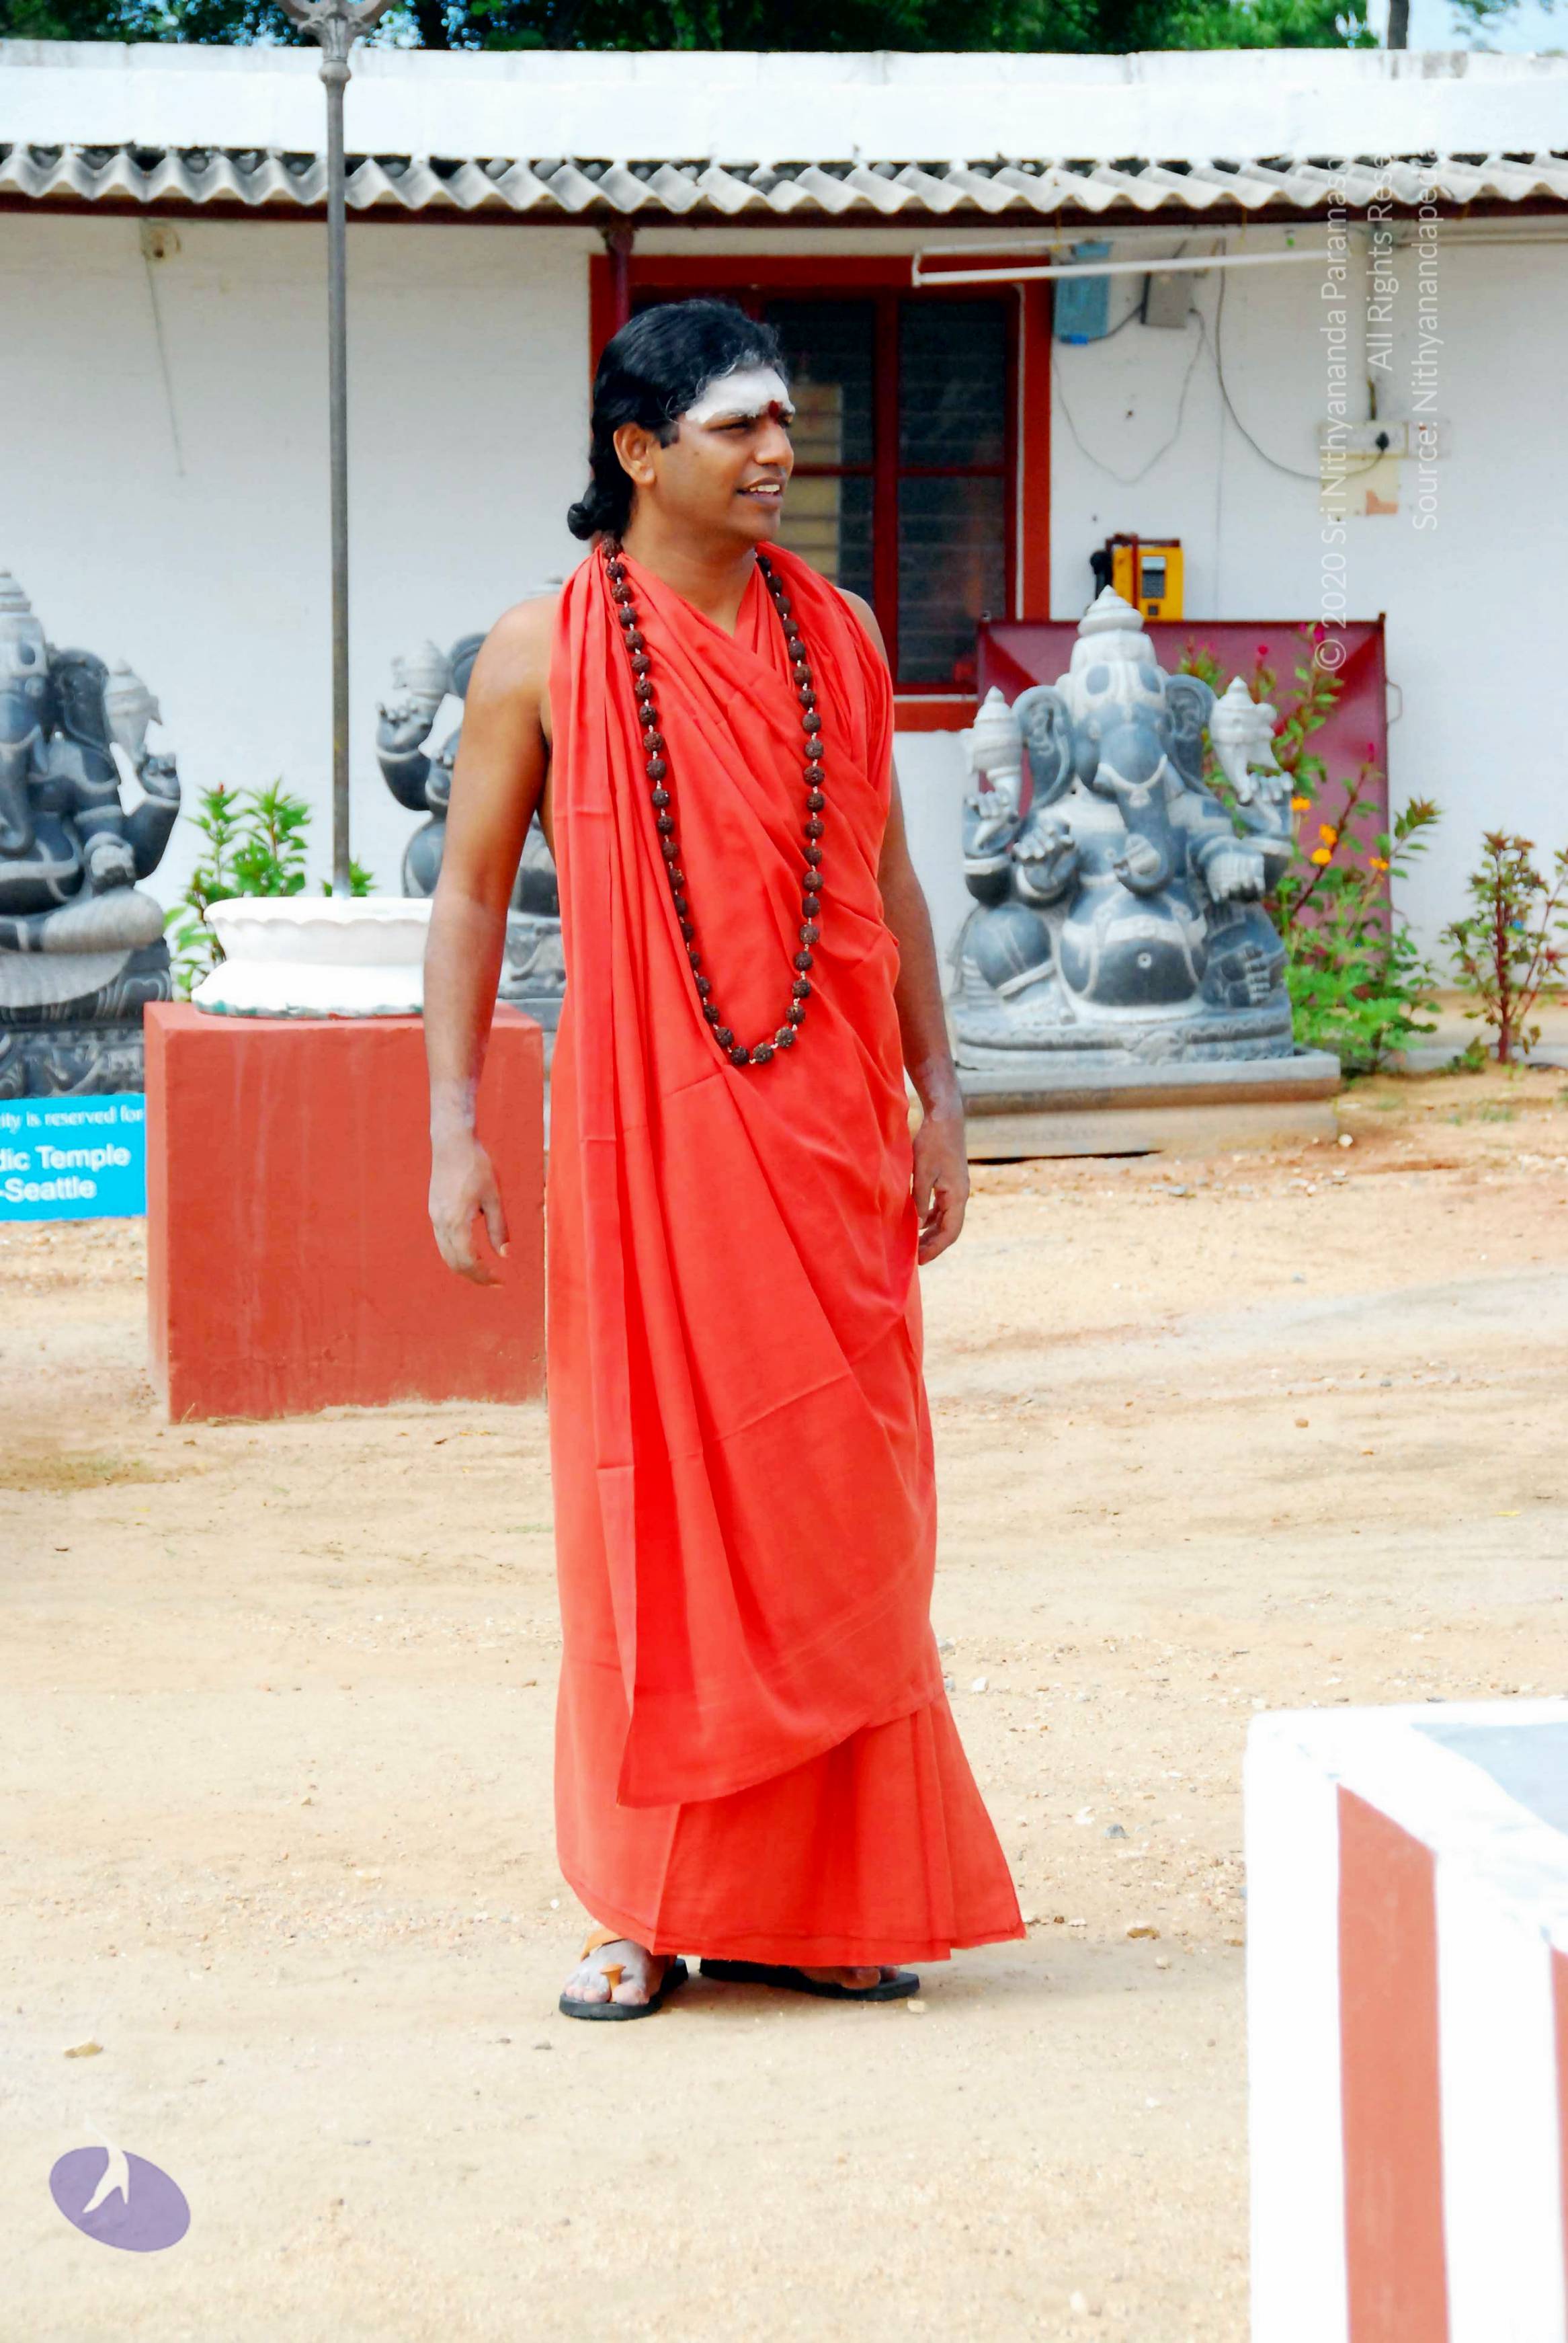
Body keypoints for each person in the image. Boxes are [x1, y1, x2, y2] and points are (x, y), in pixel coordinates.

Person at [424, 299, 1024, 2020]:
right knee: (658, 1522)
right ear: (639, 451)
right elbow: (470, 891)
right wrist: (454, 1123)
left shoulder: (839, 634)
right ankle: (644, 1904)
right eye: (740, 425)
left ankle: (822, 1904)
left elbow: (889, 879)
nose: (780, 451)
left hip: (830, 1147)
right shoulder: (540, 653)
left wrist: (939, 1089)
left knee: (844, 1518)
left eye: (783, 421)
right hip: (649, 1156)